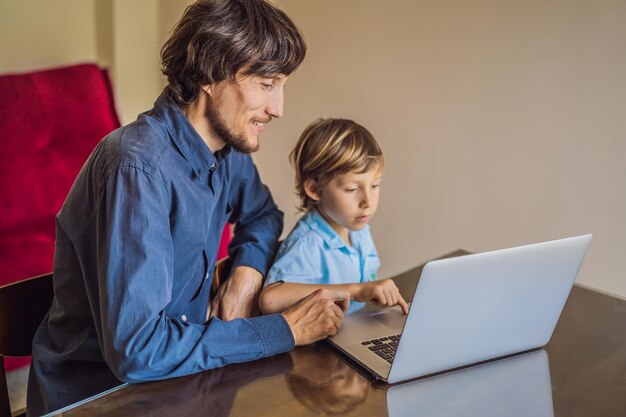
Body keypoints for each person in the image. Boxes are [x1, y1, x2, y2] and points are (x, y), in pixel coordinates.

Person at [27, 1, 349, 415]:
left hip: (180, 383)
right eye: (267, 84)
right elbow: (138, 352)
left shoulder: (227, 151)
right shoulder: (137, 167)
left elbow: (262, 215)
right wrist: (284, 329)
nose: (278, 108)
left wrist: (245, 276)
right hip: (103, 398)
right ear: (212, 73)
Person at [259, 118, 408, 315]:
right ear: (315, 190)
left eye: (374, 185)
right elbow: (270, 299)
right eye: (352, 189)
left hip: (353, 328)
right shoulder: (308, 243)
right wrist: (356, 290)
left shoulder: (359, 230)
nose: (367, 201)